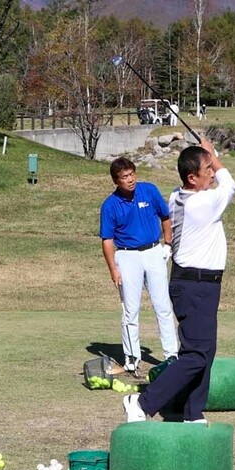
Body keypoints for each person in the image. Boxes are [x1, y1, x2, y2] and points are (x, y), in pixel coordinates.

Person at [123, 138, 235, 423]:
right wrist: (212, 152)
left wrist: (205, 155)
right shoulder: (202, 203)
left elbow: (212, 179)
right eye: (207, 169)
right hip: (196, 284)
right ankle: (142, 402)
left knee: (205, 350)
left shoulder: (177, 195)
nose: (212, 172)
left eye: (211, 167)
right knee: (196, 354)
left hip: (197, 284)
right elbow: (230, 183)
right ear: (191, 177)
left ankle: (191, 411)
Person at [100, 157, 178, 376]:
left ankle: (171, 354)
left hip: (154, 251)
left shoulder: (149, 191)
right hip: (127, 257)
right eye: (125, 177)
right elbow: (107, 240)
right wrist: (113, 270)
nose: (130, 179)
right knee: (130, 309)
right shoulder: (110, 205)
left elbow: (165, 217)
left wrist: (168, 244)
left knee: (162, 305)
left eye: (132, 174)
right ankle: (132, 357)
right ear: (116, 181)